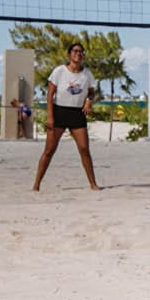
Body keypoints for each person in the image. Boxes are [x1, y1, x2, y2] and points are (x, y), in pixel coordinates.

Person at [32, 42, 100, 191]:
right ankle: (36, 185)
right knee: (49, 150)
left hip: (77, 114)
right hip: (59, 112)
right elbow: (50, 94)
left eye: (81, 51)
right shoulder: (59, 71)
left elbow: (91, 91)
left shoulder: (87, 74)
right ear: (69, 54)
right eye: (75, 51)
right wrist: (50, 116)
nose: (78, 53)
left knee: (84, 149)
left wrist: (89, 101)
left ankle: (93, 184)